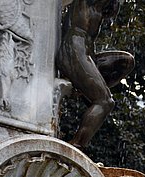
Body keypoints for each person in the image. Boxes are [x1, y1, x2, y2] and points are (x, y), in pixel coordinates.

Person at [57, 0, 135, 148]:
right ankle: (76, 146)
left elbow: (113, 10)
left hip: (87, 52)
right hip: (73, 49)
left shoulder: (101, 7)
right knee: (105, 102)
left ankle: (85, 91)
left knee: (126, 61)